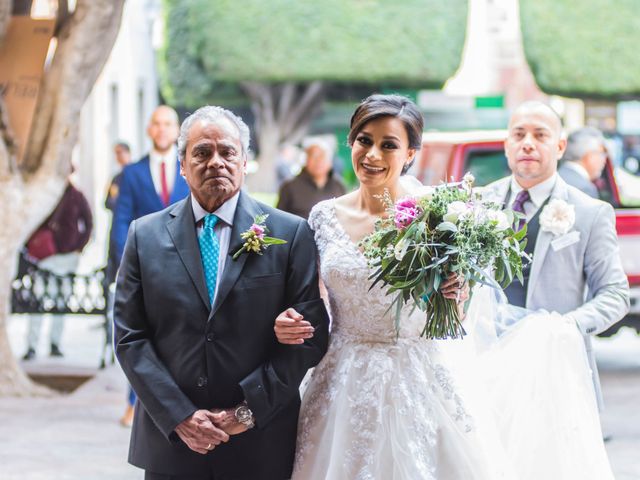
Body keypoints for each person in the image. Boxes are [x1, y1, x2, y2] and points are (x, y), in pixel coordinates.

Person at [274, 95, 619, 479]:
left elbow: (455, 317)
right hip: (342, 377)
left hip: (420, 376)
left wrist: (458, 294)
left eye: (388, 144)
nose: (372, 154)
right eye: (363, 140)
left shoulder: (437, 212)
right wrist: (290, 320)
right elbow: (310, 301)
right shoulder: (323, 217)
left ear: (409, 154)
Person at [113, 105, 330, 480]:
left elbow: (310, 340)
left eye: (227, 152)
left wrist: (244, 413)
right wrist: (180, 416)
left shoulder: (290, 234)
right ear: (182, 164)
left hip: (260, 443)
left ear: (245, 162)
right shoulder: (143, 236)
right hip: (173, 446)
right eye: (201, 152)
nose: (216, 162)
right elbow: (130, 337)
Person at [486, 102, 629, 410]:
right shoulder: (478, 204)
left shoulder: (590, 212)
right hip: (484, 365)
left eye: (540, 135)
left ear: (560, 146)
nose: (528, 143)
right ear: (507, 145)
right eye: (519, 134)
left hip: (555, 372)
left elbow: (615, 294)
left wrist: (566, 327)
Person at [111, 106, 190, 428]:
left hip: (188, 271)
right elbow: (121, 222)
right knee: (139, 336)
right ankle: (134, 403)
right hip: (145, 268)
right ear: (149, 129)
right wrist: (125, 265)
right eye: (156, 123)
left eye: (168, 124)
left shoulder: (189, 168)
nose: (161, 129)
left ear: (177, 130)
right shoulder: (132, 173)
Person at [22, 177, 93, 360]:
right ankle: (32, 345)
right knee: (38, 300)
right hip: (46, 257)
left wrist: (79, 246)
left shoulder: (76, 196)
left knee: (61, 301)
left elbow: (88, 222)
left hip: (67, 256)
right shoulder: (45, 194)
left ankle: (55, 342)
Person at [276, 139, 346, 219]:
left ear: (330, 162)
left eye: (322, 156)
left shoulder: (339, 186)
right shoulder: (289, 186)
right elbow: (278, 219)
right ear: (306, 160)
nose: (318, 161)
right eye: (314, 156)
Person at [558, 126, 608, 198]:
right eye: (602, 153)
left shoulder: (555, 177)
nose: (604, 161)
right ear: (590, 156)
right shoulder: (585, 189)